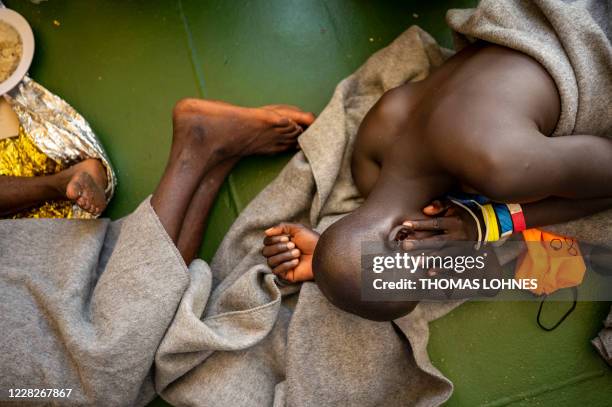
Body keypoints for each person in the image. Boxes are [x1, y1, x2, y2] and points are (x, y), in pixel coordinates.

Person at [262, 40, 612, 321]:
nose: (450, 272)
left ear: (404, 236)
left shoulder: (500, 169)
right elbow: (482, 276)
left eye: (431, 273)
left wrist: (490, 222)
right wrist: (328, 262)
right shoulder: (369, 160)